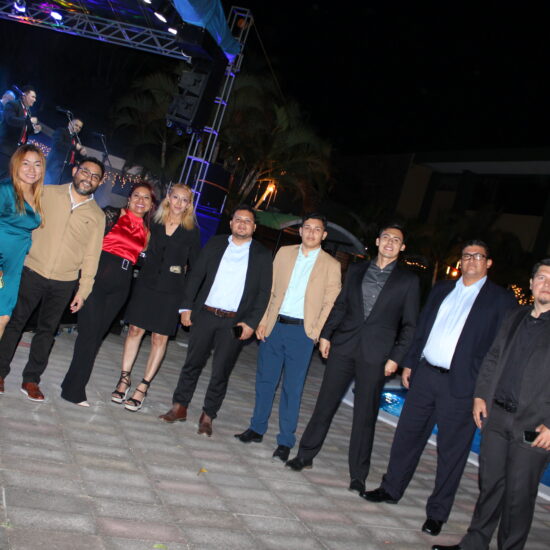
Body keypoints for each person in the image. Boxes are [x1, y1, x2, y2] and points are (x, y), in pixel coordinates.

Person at [363, 240, 517, 536]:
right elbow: (422, 328)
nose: (471, 260)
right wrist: (410, 363)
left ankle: (437, 513)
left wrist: (483, 391)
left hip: (463, 385)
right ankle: (391, 488)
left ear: (488, 263)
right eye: (467, 255)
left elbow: (500, 351)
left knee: (452, 453)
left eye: (478, 256)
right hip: (425, 376)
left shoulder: (501, 300)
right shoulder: (443, 289)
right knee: (407, 437)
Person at [285, 223, 420, 493]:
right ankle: (305, 455)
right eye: (386, 237)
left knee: (365, 416)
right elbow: (341, 305)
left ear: (402, 247)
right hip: (344, 346)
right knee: (324, 403)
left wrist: (396, 358)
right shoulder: (357, 270)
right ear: (377, 241)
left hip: (377, 355)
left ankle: (358, 474)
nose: (390, 242)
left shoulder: (408, 281)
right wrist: (327, 334)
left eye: (396, 240)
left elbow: (410, 325)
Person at [433, 259, 550, 550]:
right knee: (490, 486)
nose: (546, 284)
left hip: (534, 426)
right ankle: (474, 543)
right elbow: (492, 357)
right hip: (497, 417)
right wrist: (480, 396)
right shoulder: (515, 316)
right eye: (541, 277)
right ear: (531, 283)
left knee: (518, 496)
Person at [235, 213, 342, 461]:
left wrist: (315, 333)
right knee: (265, 381)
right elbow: (270, 289)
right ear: (300, 231)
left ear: (324, 235)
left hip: (302, 333)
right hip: (275, 326)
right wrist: (263, 321)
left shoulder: (331, 265)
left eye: (317, 229)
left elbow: (331, 303)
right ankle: (256, 428)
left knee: (292, 389)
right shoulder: (284, 253)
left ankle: (285, 440)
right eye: (307, 227)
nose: (311, 232)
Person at [159, 205, 272, 436]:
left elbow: (264, 293)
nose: (242, 224)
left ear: (254, 227)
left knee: (221, 371)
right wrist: (186, 306)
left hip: (235, 323)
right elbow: (196, 275)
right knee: (192, 363)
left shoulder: (262, 255)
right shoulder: (215, 243)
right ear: (231, 223)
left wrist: (251, 323)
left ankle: (208, 415)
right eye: (238, 219)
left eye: (247, 221)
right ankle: (179, 406)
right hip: (206, 315)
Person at [0, 157, 105, 401]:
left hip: (64, 281)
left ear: (99, 183)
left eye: (95, 176)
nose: (88, 178)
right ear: (75, 170)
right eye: (85, 172)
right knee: (15, 322)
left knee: (47, 332)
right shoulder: (47, 193)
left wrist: (83, 290)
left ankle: (31, 380)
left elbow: (92, 255)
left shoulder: (97, 215)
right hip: (32, 269)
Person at [60, 183, 154, 406]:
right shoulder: (112, 214)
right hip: (98, 279)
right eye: (137, 196)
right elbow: (89, 243)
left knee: (96, 337)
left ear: (151, 205)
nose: (140, 201)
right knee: (88, 335)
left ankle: (70, 384)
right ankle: (74, 391)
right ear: (129, 199)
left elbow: (141, 259)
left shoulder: (148, 232)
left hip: (121, 286)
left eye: (146, 198)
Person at [111, 183, 201, 412]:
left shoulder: (192, 231)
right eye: (176, 197)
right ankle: (124, 379)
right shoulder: (155, 222)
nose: (179, 203)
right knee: (134, 330)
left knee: (159, 339)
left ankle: (143, 387)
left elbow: (196, 269)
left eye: (184, 199)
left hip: (172, 291)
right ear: (168, 198)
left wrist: (188, 303)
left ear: (189, 204)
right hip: (146, 285)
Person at [0, 145, 44, 342]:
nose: (32, 169)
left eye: (37, 164)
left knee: (3, 317)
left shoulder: (38, 196)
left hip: (14, 266)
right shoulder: (5, 189)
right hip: (1, 262)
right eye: (26, 163)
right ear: (16, 165)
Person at [0, 86, 41, 178]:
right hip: (5, 150)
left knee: (5, 179)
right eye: (33, 97)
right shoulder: (12, 104)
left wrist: (35, 129)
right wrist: (28, 120)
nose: (35, 100)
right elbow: (10, 120)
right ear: (24, 95)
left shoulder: (28, 111)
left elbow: (25, 130)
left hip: (16, 153)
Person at [44, 118, 87, 186]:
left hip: (67, 171)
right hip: (56, 167)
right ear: (69, 124)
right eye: (76, 125)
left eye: (80, 127)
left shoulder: (76, 139)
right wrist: (74, 146)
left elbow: (75, 155)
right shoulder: (61, 131)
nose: (78, 128)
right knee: (50, 187)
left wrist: (82, 154)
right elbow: (57, 145)